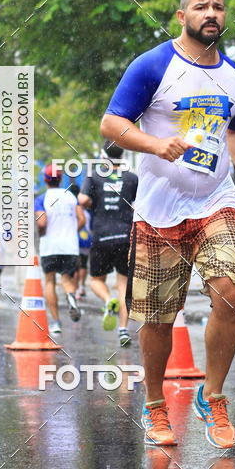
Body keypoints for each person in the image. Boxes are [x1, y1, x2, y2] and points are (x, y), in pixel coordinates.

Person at [100, 0, 235, 449]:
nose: (211, 13)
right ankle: (154, 404)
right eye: (201, 7)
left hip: (215, 202)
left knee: (231, 290)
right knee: (157, 319)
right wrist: (154, 144)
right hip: (159, 210)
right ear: (181, 15)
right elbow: (112, 124)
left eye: (218, 7)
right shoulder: (152, 66)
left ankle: (212, 396)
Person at [78, 142, 138, 347]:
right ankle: (123, 331)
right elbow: (139, 204)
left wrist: (93, 202)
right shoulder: (131, 178)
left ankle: (106, 301)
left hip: (101, 236)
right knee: (123, 286)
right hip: (125, 237)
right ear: (122, 155)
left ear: (103, 155)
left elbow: (83, 199)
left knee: (96, 280)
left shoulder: (94, 176)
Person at [34, 163, 85, 333]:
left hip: (50, 245)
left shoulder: (41, 199)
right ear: (61, 178)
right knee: (66, 279)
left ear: (45, 179)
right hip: (69, 246)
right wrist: (72, 231)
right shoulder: (71, 197)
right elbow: (82, 219)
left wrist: (40, 232)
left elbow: (42, 222)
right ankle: (71, 297)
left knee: (49, 281)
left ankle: (56, 323)